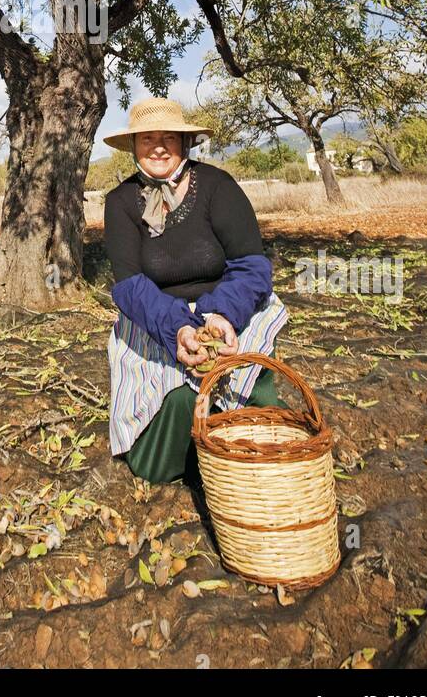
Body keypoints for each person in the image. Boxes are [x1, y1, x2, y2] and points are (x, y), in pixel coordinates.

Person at [103, 97, 289, 485]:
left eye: (168, 137)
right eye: (147, 138)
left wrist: (220, 316)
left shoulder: (218, 187)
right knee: (178, 400)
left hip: (227, 310)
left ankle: (247, 446)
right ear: (134, 146)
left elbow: (251, 265)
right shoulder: (120, 203)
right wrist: (180, 330)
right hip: (157, 314)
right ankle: (176, 456)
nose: (157, 146)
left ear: (184, 143)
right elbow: (130, 285)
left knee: (254, 394)